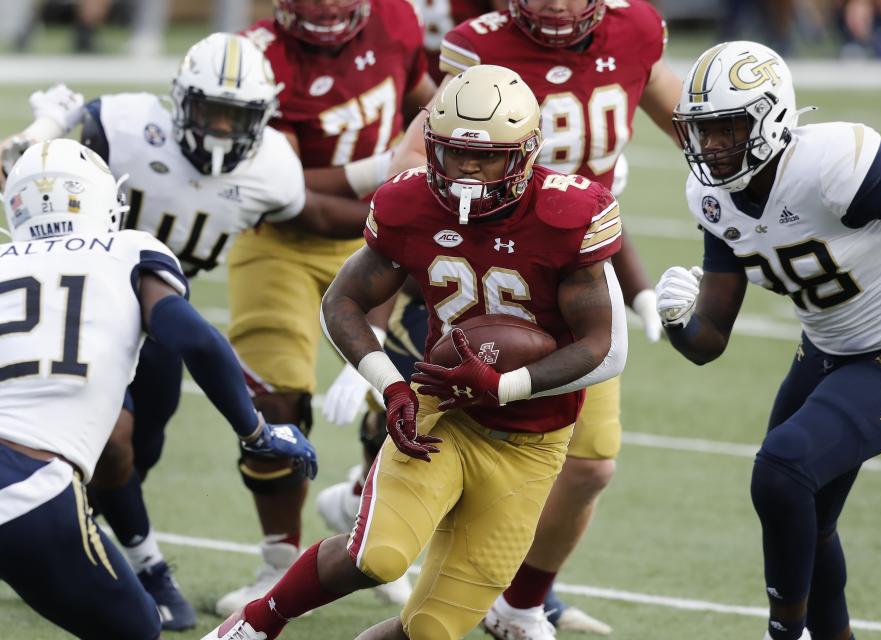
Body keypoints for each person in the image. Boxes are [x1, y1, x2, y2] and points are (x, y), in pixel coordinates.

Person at [201, 63, 627, 640]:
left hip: (533, 443)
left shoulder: (568, 215)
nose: (470, 168)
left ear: (525, 153)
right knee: (375, 557)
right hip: (442, 414)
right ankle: (253, 626)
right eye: (454, 153)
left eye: (488, 155)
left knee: (429, 630)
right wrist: (390, 383)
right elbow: (343, 301)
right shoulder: (411, 202)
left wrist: (505, 385)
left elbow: (602, 347)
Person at [379, 0, 681, 635]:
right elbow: (416, 152)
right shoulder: (474, 43)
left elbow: (686, 118)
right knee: (462, 425)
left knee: (592, 462)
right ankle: (376, 514)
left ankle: (521, 603)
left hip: (575, 262)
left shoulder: (636, 29)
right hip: (488, 260)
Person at [0, 32, 309, 631]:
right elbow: (196, 338)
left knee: (133, 453)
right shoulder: (129, 245)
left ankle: (123, 546)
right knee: (134, 618)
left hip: (84, 382)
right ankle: (145, 563)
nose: (220, 127)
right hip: (31, 485)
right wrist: (255, 430)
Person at [656, 40, 881, 640]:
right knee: (808, 516)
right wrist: (675, 322)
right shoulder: (713, 197)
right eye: (701, 131)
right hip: (824, 355)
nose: (710, 146)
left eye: (726, 128)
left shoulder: (831, 167)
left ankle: (783, 632)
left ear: (770, 118)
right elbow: (710, 337)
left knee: (782, 471)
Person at [216, 0, 438, 615]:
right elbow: (297, 199)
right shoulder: (257, 57)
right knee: (275, 400)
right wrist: (397, 194)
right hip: (281, 240)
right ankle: (277, 561)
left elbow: (432, 105)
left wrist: (420, 183)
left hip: (380, 237)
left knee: (414, 400)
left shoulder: (395, 19)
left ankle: (363, 516)